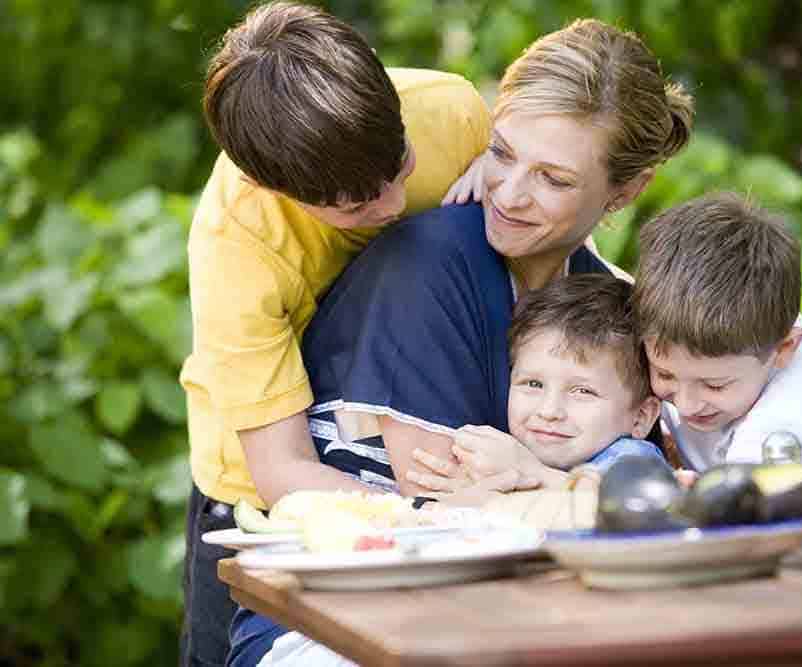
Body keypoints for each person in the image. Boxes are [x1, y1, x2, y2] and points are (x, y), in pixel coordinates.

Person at [228, 17, 694, 667]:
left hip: (514, 608)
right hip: (339, 619)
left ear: (626, 189)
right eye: (500, 153)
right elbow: (456, 520)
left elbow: (643, 492)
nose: (508, 193)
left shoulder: (599, 302)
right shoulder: (431, 264)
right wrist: (570, 494)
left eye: (553, 179)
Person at [178, 2, 490, 664]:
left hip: (419, 437)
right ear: (273, 186)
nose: (395, 205)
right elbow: (282, 470)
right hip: (268, 494)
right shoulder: (238, 239)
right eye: (357, 207)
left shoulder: (448, 109)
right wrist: (438, 521)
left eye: (401, 165)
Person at [632, 192, 802, 470]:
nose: (686, 404)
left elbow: (746, 498)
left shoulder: (796, 409)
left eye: (715, 385)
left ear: (784, 349)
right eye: (664, 374)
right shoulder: (750, 334)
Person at [406, 274, 665, 499]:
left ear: (641, 416)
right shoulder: (512, 458)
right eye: (533, 383)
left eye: (583, 391)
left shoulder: (631, 460)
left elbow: (632, 506)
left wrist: (533, 475)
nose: (549, 411)